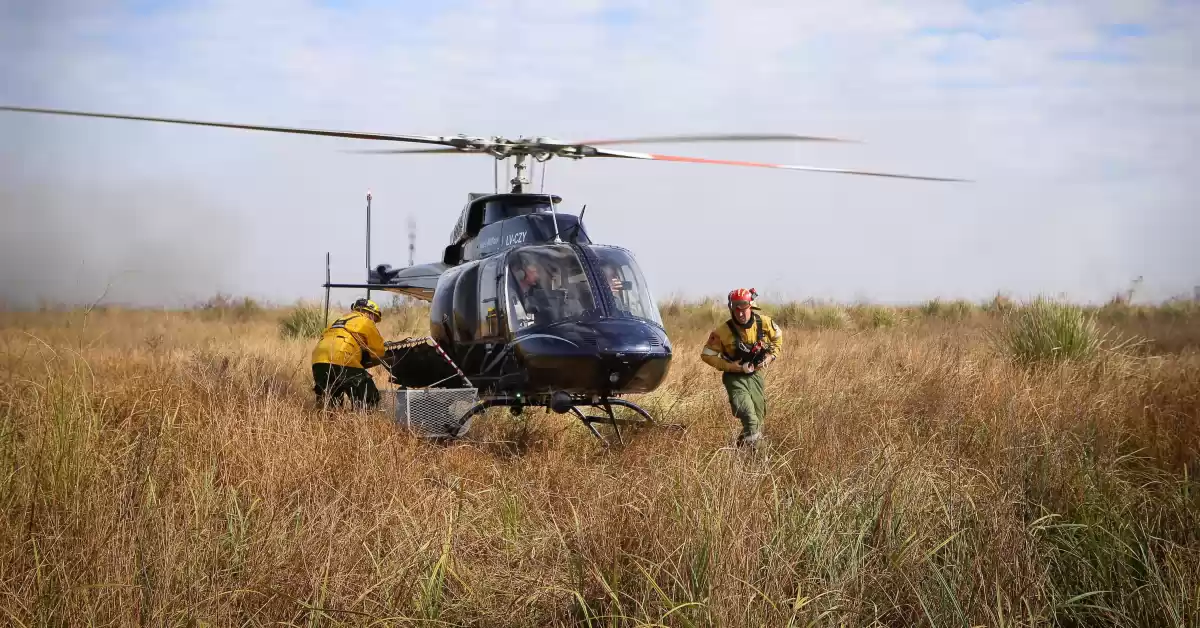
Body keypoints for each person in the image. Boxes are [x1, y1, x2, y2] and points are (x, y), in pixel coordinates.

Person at [700, 288, 783, 446]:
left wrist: (771, 356)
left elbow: (778, 337)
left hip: (755, 376)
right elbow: (706, 355)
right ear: (731, 308)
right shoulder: (722, 332)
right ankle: (761, 463)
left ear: (751, 306)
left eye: (743, 308)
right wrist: (731, 366)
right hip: (735, 378)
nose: (740, 313)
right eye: (735, 308)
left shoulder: (764, 323)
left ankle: (738, 450)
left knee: (758, 419)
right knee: (750, 418)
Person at [311, 297, 390, 409]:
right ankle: (362, 424)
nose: (374, 322)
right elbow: (378, 352)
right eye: (375, 318)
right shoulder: (366, 322)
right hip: (342, 359)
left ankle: (325, 424)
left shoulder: (338, 321)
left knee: (329, 402)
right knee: (368, 397)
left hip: (318, 361)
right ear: (369, 313)